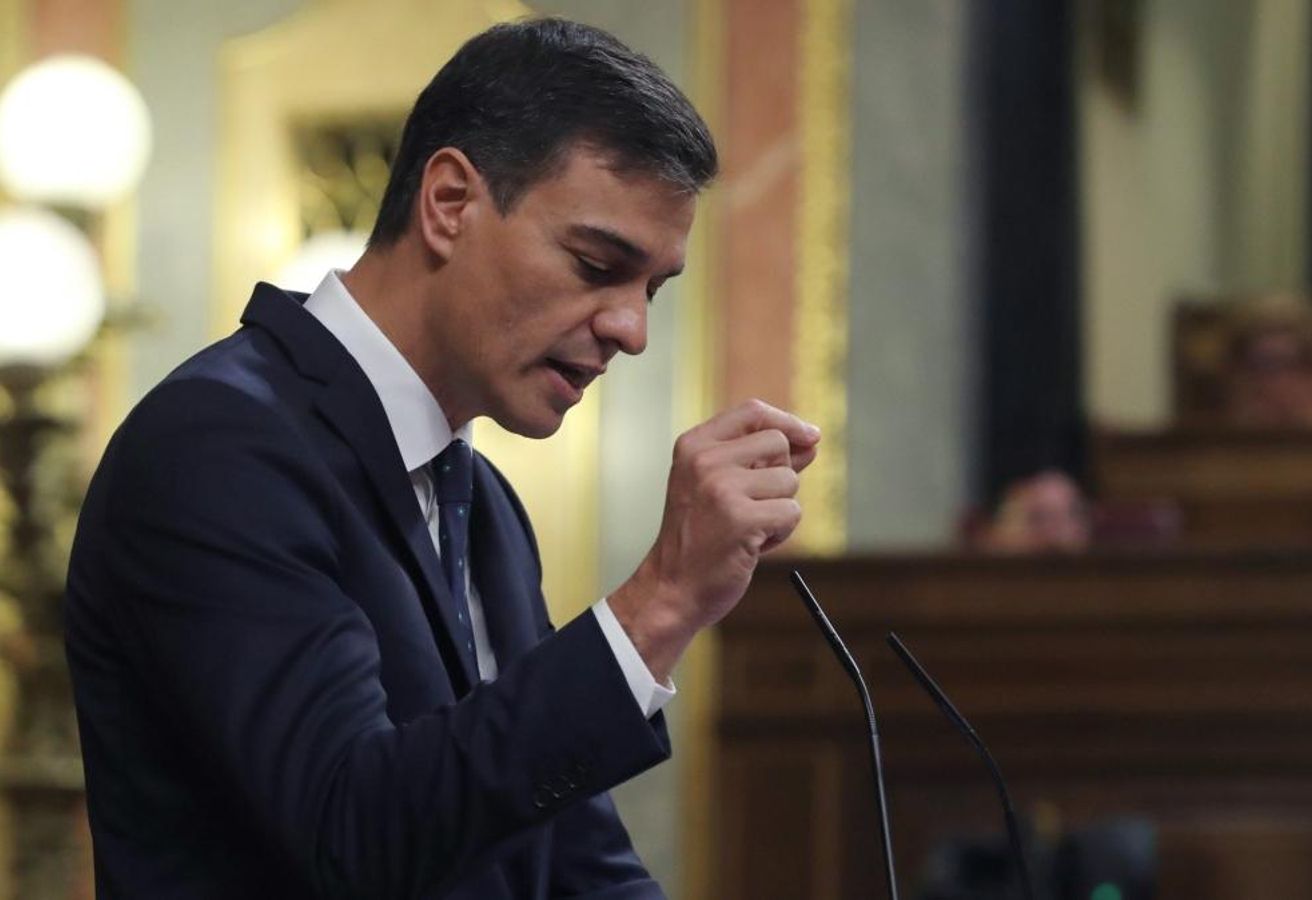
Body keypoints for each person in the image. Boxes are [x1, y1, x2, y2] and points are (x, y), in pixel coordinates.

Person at [65, 18, 818, 899]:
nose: (631, 329)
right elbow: (352, 836)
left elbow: (576, 866)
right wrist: (662, 602)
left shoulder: (484, 499)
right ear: (450, 202)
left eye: (650, 287)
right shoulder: (218, 445)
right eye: (595, 265)